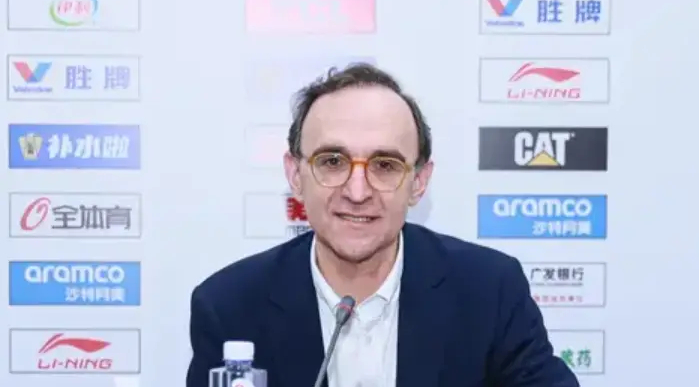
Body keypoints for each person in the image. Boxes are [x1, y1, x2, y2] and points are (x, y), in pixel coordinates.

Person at [186, 63, 580, 387]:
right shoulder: (230, 306)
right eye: (332, 162)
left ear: (419, 182)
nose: (357, 191)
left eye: (385, 165)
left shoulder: (489, 290)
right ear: (295, 175)